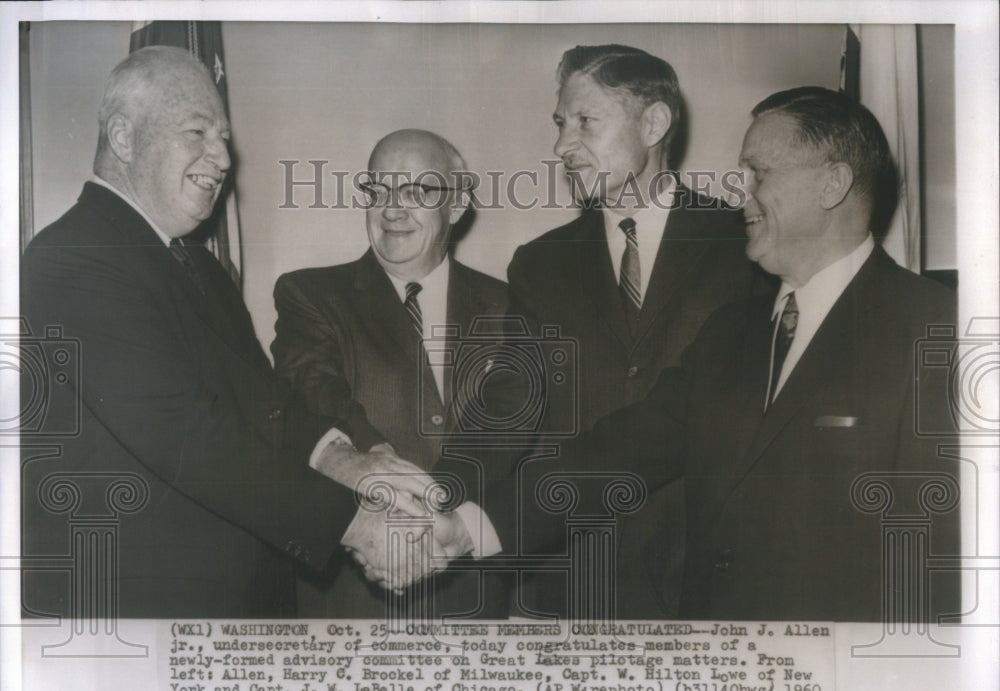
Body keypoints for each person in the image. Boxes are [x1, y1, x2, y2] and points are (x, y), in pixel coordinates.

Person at [392, 86, 960, 622]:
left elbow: (942, 562)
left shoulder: (939, 331)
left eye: (758, 174)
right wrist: (468, 528)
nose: (741, 194)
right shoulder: (731, 334)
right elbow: (618, 452)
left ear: (831, 184)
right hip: (713, 666)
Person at [20, 47, 466, 618]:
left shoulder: (201, 268)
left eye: (224, 138)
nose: (224, 158)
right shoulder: (74, 258)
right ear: (124, 138)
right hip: (132, 617)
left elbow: (267, 405)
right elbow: (188, 435)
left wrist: (351, 463)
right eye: (197, 132)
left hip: (228, 609)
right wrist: (356, 524)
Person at [503, 44, 771, 619]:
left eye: (585, 121)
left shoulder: (745, 245)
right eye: (559, 123)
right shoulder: (537, 264)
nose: (561, 145)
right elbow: (507, 410)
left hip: (710, 578)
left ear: (653, 124)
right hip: (572, 579)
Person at [272, 129, 510, 618]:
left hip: (476, 602)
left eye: (416, 191)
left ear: (457, 204)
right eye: (378, 190)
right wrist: (381, 472)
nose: (392, 210)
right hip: (353, 600)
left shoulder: (510, 305)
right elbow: (316, 396)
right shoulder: (310, 295)